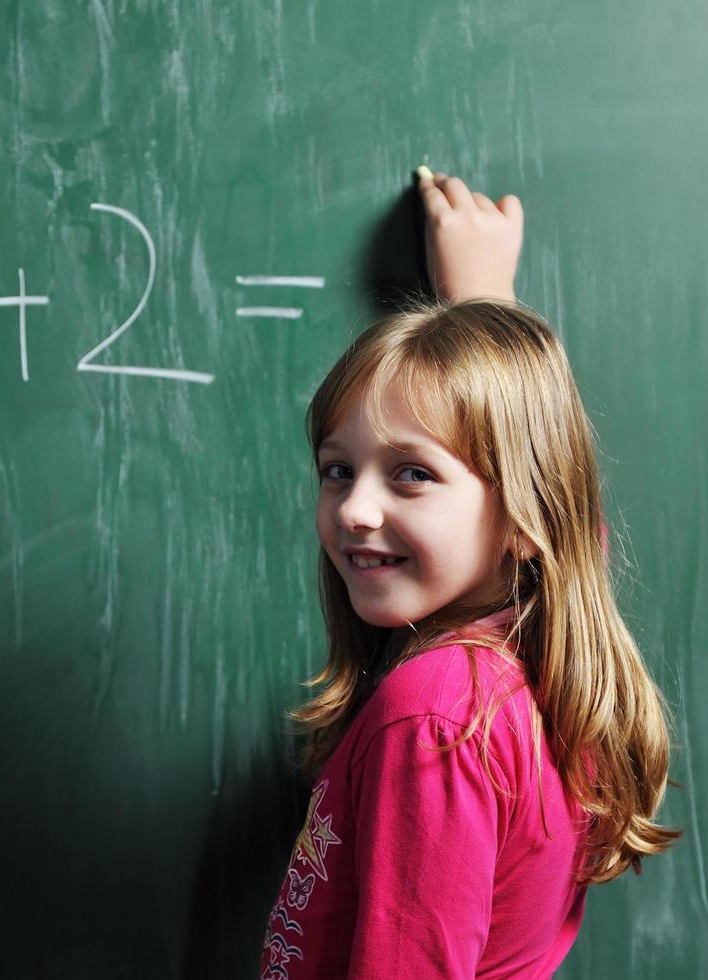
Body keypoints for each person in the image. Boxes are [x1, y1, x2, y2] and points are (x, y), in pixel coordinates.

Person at [257, 168, 681, 978]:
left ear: (524, 517)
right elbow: (562, 503)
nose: (353, 510)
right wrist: (487, 299)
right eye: (337, 470)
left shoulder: (435, 721)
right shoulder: (532, 673)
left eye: (411, 474)